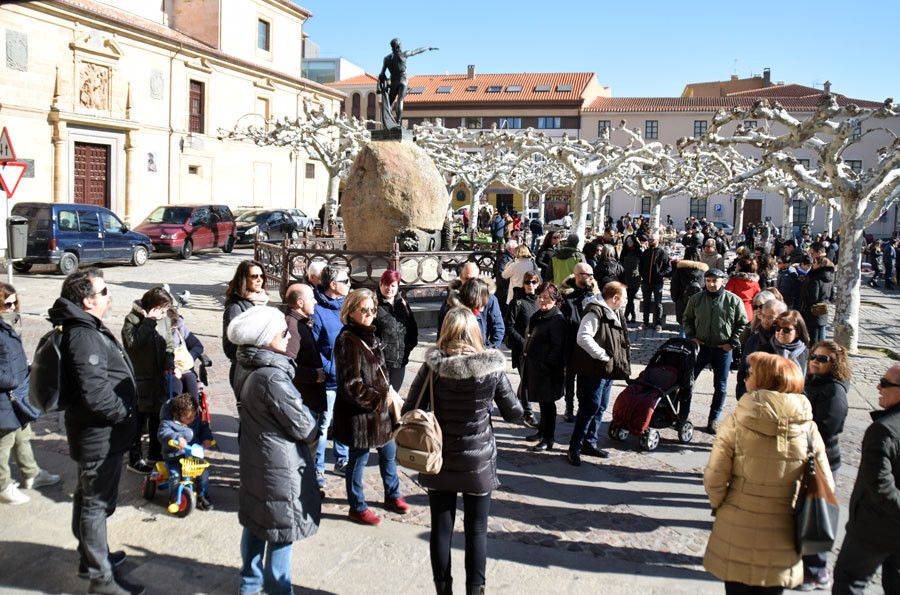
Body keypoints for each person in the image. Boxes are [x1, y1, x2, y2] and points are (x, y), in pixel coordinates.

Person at [404, 308, 521, 595]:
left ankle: (443, 590)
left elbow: (410, 408)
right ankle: (475, 590)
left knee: (441, 528)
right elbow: (514, 413)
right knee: (477, 530)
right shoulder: (492, 368)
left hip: (439, 457)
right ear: (476, 332)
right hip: (478, 459)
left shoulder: (433, 366)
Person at [703, 352, 832, 594]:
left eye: (751, 374)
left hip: (737, 524)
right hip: (785, 530)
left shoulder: (736, 421)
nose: (745, 378)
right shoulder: (808, 429)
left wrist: (721, 504)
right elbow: (826, 484)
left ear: (765, 380)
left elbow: (715, 477)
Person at [50, 269, 143, 595]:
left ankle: (91, 558)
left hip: (101, 435)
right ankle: (101, 580)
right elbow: (95, 393)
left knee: (89, 500)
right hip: (98, 436)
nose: (109, 296)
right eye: (103, 292)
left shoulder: (86, 327)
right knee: (96, 505)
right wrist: (124, 413)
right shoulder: (83, 334)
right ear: (88, 300)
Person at [228, 306, 320, 595]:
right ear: (266, 338)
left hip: (257, 456)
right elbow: (304, 425)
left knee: (257, 523)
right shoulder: (272, 377)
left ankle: (249, 583)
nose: (288, 335)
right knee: (281, 531)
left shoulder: (246, 364)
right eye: (283, 332)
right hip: (279, 463)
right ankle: (279, 589)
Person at [333, 288, 407, 525]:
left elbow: (381, 373)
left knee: (389, 453)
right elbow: (351, 385)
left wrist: (386, 396)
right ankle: (357, 506)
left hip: (381, 414)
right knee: (358, 459)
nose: (369, 314)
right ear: (351, 311)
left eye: (372, 310)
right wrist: (377, 400)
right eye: (363, 310)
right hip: (361, 416)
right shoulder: (347, 340)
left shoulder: (372, 336)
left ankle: (392, 495)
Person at [833, 364, 900, 594]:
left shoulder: (883, 430)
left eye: (886, 383)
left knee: (849, 582)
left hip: (874, 528)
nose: (878, 386)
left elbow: (880, 485)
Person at [0, 284, 60, 505]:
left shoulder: (9, 326)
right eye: (8, 304)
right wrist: (11, 379)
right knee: (4, 442)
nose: (13, 307)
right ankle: (2, 485)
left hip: (16, 394)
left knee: (22, 436)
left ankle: (31, 474)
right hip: (4, 395)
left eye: (15, 302)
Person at [799, 340, 850, 591]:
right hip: (806, 456)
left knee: (816, 516)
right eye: (814, 357)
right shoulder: (814, 382)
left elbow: (827, 429)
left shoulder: (834, 392)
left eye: (823, 359)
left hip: (823, 459)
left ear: (836, 364)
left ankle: (818, 571)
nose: (815, 361)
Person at [567, 281, 630, 466]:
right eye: (624, 298)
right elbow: (583, 337)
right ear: (615, 298)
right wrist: (602, 355)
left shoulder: (615, 311)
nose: (626, 301)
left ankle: (590, 442)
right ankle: (575, 447)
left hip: (607, 370)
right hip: (593, 369)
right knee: (589, 407)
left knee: (601, 406)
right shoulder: (595, 312)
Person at [683, 268, 748, 433]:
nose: (711, 284)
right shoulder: (696, 299)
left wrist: (732, 343)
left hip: (722, 349)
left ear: (722, 281)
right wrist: (692, 337)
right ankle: (683, 415)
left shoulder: (733, 301)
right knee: (688, 382)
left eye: (715, 281)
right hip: (701, 348)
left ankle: (713, 419)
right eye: (708, 281)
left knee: (721, 386)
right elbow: (687, 319)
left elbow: (742, 324)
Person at [122, 287, 173, 474]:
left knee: (156, 417)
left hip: (159, 377)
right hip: (139, 377)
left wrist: (170, 362)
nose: (165, 313)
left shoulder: (165, 320)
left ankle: (155, 453)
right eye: (162, 309)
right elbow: (133, 344)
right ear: (153, 307)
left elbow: (169, 344)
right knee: (138, 418)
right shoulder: (132, 320)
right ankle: (134, 458)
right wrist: (149, 322)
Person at [282, 283, 327, 493]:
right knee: (305, 449)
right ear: (300, 303)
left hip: (310, 398)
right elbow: (287, 367)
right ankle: (303, 491)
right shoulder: (293, 326)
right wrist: (314, 375)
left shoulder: (301, 322)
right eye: (312, 298)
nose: (315, 302)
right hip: (304, 399)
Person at [311, 265, 351, 478]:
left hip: (347, 377)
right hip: (329, 379)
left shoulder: (346, 306)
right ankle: (318, 468)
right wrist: (331, 369)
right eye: (345, 281)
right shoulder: (317, 310)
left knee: (343, 421)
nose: (349, 284)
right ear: (333, 285)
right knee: (324, 425)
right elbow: (315, 349)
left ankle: (342, 460)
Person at [521, 283, 567, 451]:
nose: (541, 300)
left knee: (548, 405)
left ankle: (549, 438)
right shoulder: (539, 315)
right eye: (539, 297)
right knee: (542, 402)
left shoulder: (557, 319)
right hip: (536, 368)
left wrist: (546, 366)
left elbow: (557, 347)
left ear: (555, 300)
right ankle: (541, 432)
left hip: (548, 371)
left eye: (545, 298)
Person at [158, 393, 213, 511]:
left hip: (192, 456)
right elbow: (163, 433)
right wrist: (176, 438)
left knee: (203, 474)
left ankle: (202, 495)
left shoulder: (194, 419)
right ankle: (174, 498)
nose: (192, 419)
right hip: (175, 457)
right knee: (175, 476)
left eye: (194, 416)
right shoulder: (168, 422)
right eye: (188, 418)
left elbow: (204, 427)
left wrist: (207, 438)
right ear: (178, 415)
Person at [559, 263, 600, 421]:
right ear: (577, 275)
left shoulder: (594, 294)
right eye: (586, 274)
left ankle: (583, 406)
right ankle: (569, 407)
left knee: (585, 377)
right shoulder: (565, 295)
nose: (591, 277)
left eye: (591, 274)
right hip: (570, 341)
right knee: (569, 377)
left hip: (587, 342)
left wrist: (590, 293)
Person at [437, 262, 504, 349]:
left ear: (478, 276)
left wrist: (489, 351)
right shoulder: (451, 299)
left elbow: (498, 328)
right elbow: (442, 325)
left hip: (479, 350)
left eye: (473, 279)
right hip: (455, 351)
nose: (470, 283)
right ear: (460, 277)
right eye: (467, 279)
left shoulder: (489, 298)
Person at [224, 260, 269, 390]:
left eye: (262, 276)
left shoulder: (261, 301)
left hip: (260, 366)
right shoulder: (235, 307)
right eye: (254, 276)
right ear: (244, 279)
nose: (259, 280)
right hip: (244, 370)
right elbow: (230, 347)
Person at [505, 271, 541, 428]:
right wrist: (523, 342)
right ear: (523, 284)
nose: (530, 285)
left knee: (530, 379)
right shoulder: (517, 302)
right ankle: (528, 412)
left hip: (537, 349)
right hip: (522, 349)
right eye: (527, 282)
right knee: (526, 379)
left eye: (533, 282)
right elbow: (509, 326)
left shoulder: (540, 302)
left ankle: (520, 401)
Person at [374, 270, 418, 390]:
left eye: (393, 285)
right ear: (380, 284)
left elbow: (412, 327)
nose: (389, 288)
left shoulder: (402, 303)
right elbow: (370, 331)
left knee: (394, 397)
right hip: (382, 362)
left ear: (398, 286)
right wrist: (380, 349)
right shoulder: (374, 304)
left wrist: (408, 346)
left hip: (400, 361)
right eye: (386, 284)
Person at [735, 298, 787, 398]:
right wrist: (741, 391)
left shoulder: (785, 343)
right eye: (763, 316)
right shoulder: (753, 340)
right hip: (751, 396)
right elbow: (743, 369)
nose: (765, 321)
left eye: (770, 317)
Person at [168, 307, 204, 403]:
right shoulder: (158, 333)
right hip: (169, 370)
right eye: (171, 327)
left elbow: (198, 346)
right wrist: (174, 368)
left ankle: (194, 412)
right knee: (176, 384)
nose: (173, 329)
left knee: (190, 378)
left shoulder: (179, 328)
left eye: (174, 327)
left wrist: (188, 358)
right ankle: (176, 412)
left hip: (185, 369)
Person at [639, 232, 672, 331]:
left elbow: (669, 268)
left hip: (657, 283)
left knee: (658, 304)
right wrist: (642, 275)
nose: (650, 241)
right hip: (645, 282)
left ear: (657, 240)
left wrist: (661, 274)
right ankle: (645, 322)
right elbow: (640, 265)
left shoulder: (662, 252)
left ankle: (658, 323)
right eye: (649, 240)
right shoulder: (646, 252)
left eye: (652, 240)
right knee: (646, 303)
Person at [798, 256, 835, 344]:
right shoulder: (830, 277)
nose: (812, 265)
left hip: (812, 310)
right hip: (823, 307)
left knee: (813, 335)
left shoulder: (815, 278)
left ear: (820, 265)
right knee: (821, 329)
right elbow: (832, 295)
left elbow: (813, 296)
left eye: (814, 263)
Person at [670, 258, 708, 330]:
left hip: (682, 301)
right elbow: (707, 288)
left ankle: (683, 340)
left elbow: (674, 287)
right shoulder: (703, 271)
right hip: (699, 303)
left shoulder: (679, 270)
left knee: (683, 325)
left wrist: (676, 299)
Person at [770, 310, 810, 374]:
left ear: (797, 332)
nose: (781, 332)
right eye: (778, 328)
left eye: (786, 330)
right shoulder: (766, 349)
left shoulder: (806, 353)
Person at [725, 257, 762, 323]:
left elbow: (726, 295)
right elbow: (758, 297)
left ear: (740, 268)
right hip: (749, 311)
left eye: (737, 266)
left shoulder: (733, 280)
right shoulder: (754, 283)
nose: (735, 267)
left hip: (734, 310)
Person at [619, 235, 643, 323]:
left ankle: (625, 316)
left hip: (635, 279)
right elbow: (620, 263)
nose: (629, 243)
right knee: (630, 298)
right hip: (625, 278)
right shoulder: (624, 251)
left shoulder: (639, 252)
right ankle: (633, 316)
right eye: (627, 241)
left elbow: (642, 265)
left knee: (630, 298)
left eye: (630, 241)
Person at [494, 240, 516, 316]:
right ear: (510, 249)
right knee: (503, 310)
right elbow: (501, 273)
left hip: (506, 288)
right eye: (515, 248)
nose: (517, 250)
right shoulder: (504, 258)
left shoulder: (511, 257)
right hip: (503, 289)